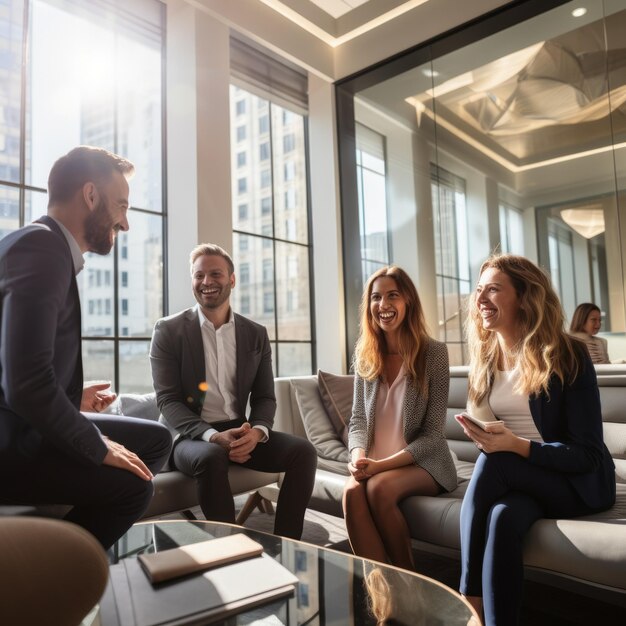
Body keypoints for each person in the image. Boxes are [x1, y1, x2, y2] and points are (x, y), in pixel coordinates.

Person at [0, 146, 172, 550]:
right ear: (90, 195)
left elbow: (13, 370)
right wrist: (95, 446)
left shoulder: (40, 246)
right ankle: (49, 579)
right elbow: (25, 385)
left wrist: (72, 397)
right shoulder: (41, 250)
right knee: (133, 488)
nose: (125, 222)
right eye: (122, 205)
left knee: (156, 441)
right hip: (10, 442)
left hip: (15, 421)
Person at [457, 254, 616, 626]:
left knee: (496, 461)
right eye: (479, 290)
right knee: (502, 517)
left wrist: (518, 447)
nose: (480, 299)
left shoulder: (567, 354)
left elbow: (589, 455)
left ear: (525, 296)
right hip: (520, 481)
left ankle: (468, 602)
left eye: (493, 289)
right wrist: (487, 436)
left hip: (576, 483)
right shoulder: (485, 356)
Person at [150, 243, 316, 539]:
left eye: (215, 274)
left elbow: (265, 396)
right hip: (187, 436)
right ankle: (228, 552)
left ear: (232, 280)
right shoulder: (168, 330)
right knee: (212, 456)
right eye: (198, 276)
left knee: (303, 452)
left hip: (238, 430)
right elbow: (168, 401)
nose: (206, 282)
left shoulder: (255, 334)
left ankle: (288, 545)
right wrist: (212, 436)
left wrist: (257, 433)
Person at [343, 266, 457, 570]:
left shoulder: (434, 353)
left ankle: (411, 584)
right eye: (376, 297)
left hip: (422, 463)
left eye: (393, 295)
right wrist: (358, 456)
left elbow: (433, 435)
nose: (383, 305)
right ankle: (383, 595)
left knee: (380, 488)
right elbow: (357, 420)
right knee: (352, 493)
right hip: (374, 461)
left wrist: (380, 467)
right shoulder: (365, 353)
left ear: (408, 301)